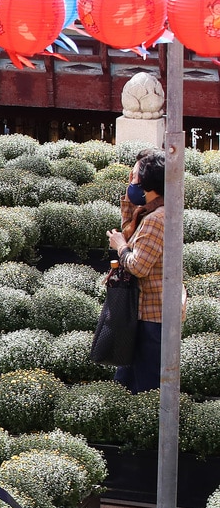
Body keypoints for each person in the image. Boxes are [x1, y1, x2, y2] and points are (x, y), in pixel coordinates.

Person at [107, 148, 169, 393]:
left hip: (151, 316)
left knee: (146, 386)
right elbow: (131, 231)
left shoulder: (157, 218)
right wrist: (129, 199)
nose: (129, 182)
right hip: (141, 313)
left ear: (147, 183)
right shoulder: (149, 212)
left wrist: (120, 246)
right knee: (125, 383)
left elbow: (139, 266)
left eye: (132, 178)